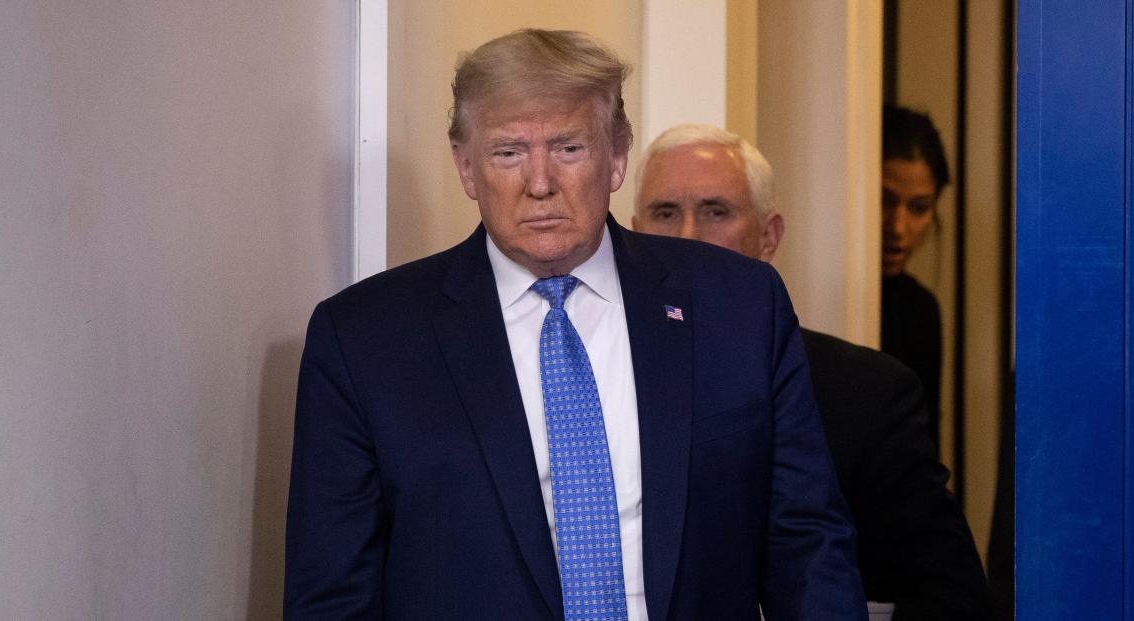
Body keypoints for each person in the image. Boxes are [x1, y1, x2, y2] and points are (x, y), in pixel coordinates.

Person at [284, 30, 866, 620]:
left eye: (568, 148)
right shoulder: (364, 340)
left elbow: (807, 543)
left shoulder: (737, 306)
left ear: (617, 156)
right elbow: (333, 595)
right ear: (466, 167)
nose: (539, 183)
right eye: (508, 153)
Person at [632, 123, 990, 620]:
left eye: (716, 212)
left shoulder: (868, 396)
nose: (688, 236)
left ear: (768, 238)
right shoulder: (587, 378)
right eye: (665, 213)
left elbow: (949, 594)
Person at [881, 105, 948, 450]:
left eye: (919, 208)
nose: (898, 227)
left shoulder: (921, 309)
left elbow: (925, 441)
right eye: (885, 201)